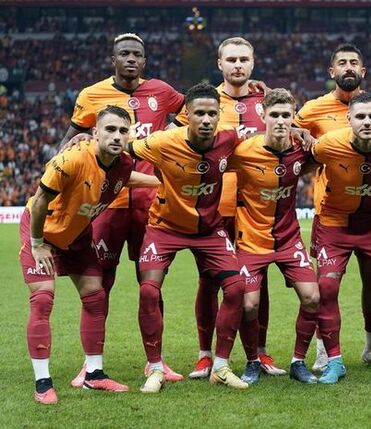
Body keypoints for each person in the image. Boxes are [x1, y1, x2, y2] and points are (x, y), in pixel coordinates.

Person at [63, 33, 186, 385]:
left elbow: (194, 109)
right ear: (113, 59)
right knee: (99, 285)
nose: (131, 59)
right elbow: (69, 139)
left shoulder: (162, 92)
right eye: (124, 54)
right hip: (107, 205)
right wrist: (72, 152)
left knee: (151, 285)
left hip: (151, 205)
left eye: (136, 54)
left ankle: (155, 362)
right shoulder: (92, 95)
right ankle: (91, 364)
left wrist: (172, 130)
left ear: (144, 62)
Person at [20, 106, 160, 404]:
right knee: (43, 299)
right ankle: (42, 382)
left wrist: (163, 181)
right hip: (42, 233)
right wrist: (37, 242)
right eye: (110, 129)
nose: (117, 136)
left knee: (95, 297)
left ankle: (94, 375)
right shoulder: (72, 158)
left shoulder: (122, 163)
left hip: (78, 235)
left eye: (123, 131)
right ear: (95, 132)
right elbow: (41, 198)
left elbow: (126, 178)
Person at [173, 37, 287, 379]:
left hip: (257, 208)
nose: (238, 65)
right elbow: (178, 143)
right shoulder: (204, 102)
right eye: (232, 59)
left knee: (259, 280)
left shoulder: (266, 100)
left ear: (253, 63)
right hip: (213, 205)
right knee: (209, 279)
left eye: (244, 59)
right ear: (219, 64)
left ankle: (260, 352)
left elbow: (288, 133)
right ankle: (205, 355)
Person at [130, 83, 248, 392]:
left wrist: (298, 132)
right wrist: (88, 140)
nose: (206, 120)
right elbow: (123, 150)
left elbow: (263, 143)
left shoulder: (229, 139)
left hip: (209, 230)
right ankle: (155, 368)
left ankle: (220, 367)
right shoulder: (163, 141)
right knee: (148, 291)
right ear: (187, 115)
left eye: (212, 113)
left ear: (219, 115)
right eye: (199, 113)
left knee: (236, 288)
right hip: (164, 227)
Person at [294, 43, 371, 371]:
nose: (348, 67)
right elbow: (289, 127)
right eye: (342, 63)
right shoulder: (313, 108)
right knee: (327, 285)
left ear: (363, 71)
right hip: (330, 210)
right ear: (332, 71)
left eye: (354, 62)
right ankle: (324, 351)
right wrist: (305, 137)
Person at [310, 92, 371, 384]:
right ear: (348, 119)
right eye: (361, 116)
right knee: (326, 287)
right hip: (334, 224)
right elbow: (301, 161)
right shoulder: (328, 144)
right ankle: (333, 360)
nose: (367, 122)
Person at [228, 89, 320, 385]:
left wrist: (304, 134)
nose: (281, 121)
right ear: (263, 115)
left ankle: (298, 362)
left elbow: (316, 159)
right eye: (275, 115)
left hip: (288, 239)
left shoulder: (302, 148)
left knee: (312, 297)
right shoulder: (243, 150)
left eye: (286, 115)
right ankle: (252, 361)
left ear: (293, 117)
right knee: (248, 305)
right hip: (251, 240)